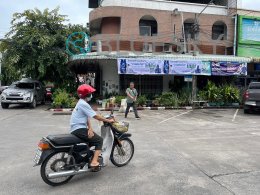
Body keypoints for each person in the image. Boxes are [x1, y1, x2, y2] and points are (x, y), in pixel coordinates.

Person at [70, 84, 114, 169]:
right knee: (99, 140)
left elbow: (87, 117)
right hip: (79, 129)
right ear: (87, 95)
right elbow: (96, 116)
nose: (91, 95)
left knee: (91, 140)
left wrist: (90, 128)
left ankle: (86, 157)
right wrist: (108, 120)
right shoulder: (84, 104)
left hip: (77, 129)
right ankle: (94, 162)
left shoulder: (80, 102)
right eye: (90, 93)